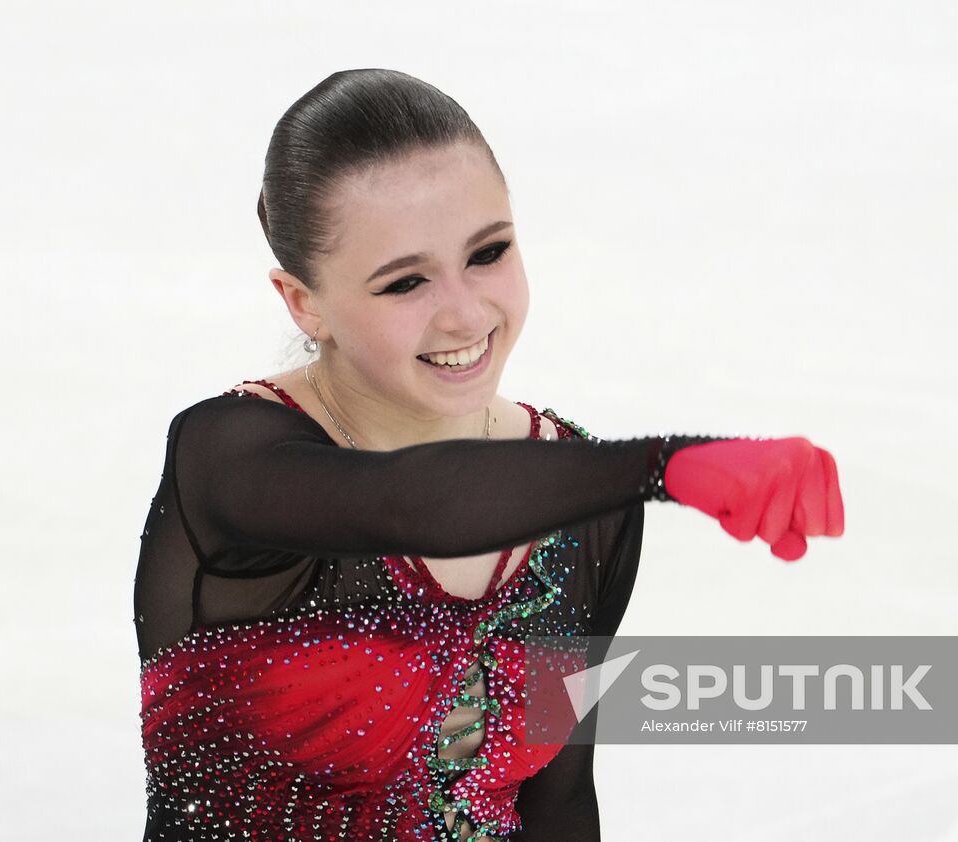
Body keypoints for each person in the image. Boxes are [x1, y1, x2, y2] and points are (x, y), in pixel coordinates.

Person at [132, 68, 844, 842]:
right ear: (304, 302)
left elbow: (561, 805)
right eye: (405, 282)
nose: (466, 314)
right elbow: (409, 505)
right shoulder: (230, 454)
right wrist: (663, 467)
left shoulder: (577, 502)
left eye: (488, 252)